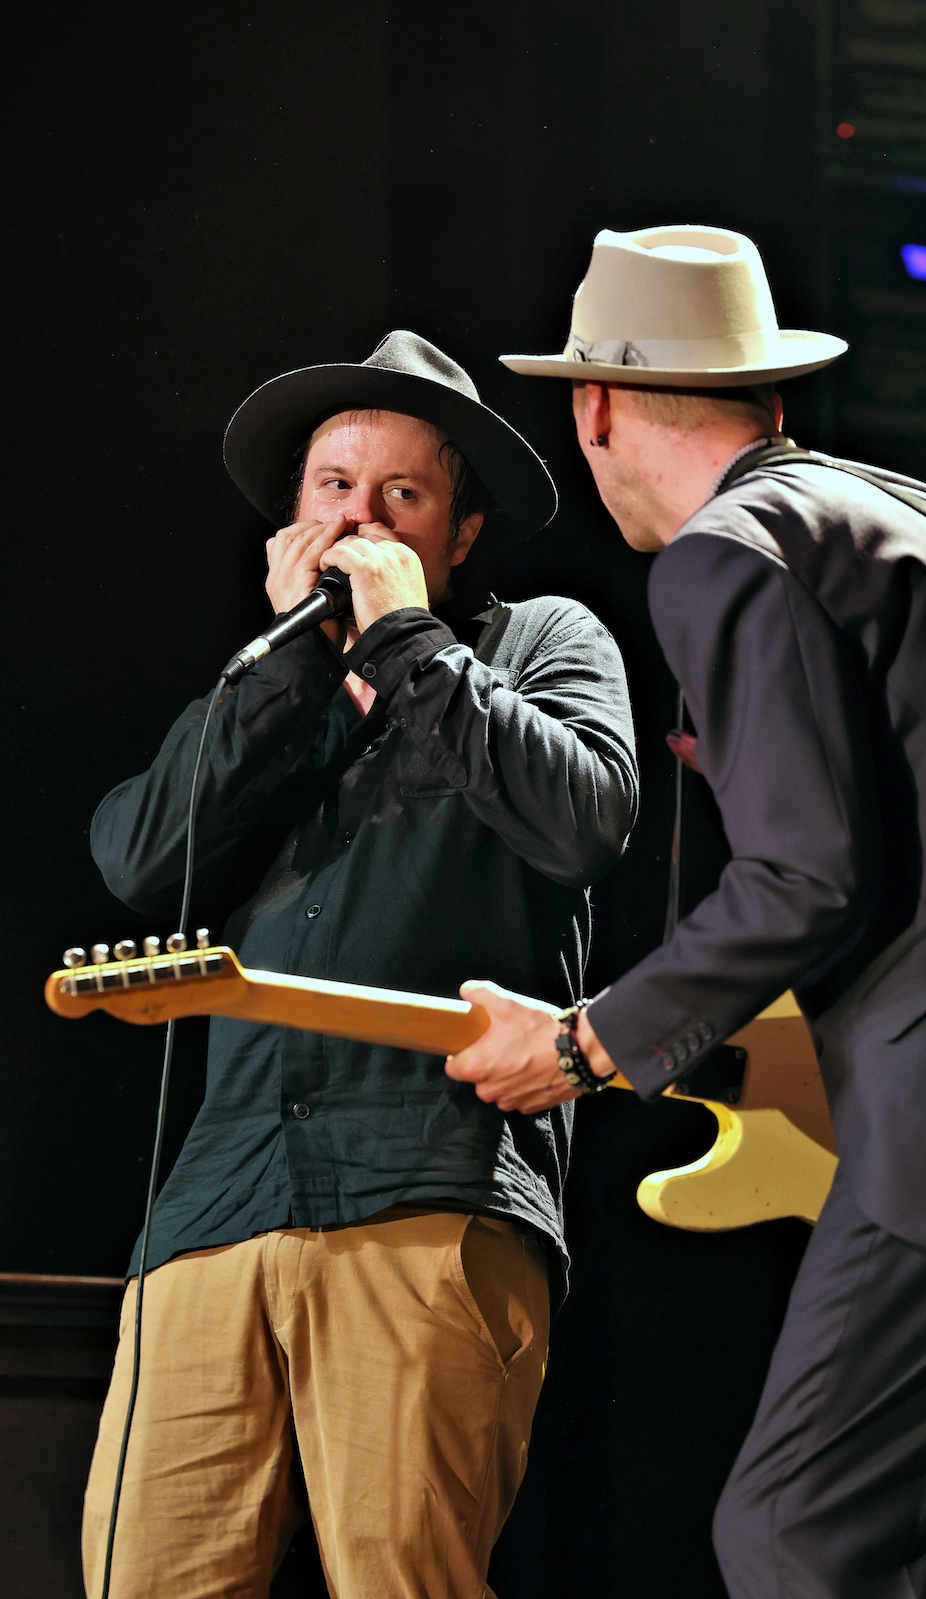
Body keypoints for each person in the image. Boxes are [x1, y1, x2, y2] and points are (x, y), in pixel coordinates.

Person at [446, 227, 926, 1596]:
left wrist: (580, 1043)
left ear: (595, 403)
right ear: (768, 393)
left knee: (796, 1528)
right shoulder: (895, 517)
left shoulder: (722, 555)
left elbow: (805, 878)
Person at [83, 330, 639, 1598]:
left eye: (403, 495)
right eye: (334, 487)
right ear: (292, 521)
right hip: (216, 1210)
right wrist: (291, 672)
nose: (359, 520)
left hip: (427, 1189)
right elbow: (137, 859)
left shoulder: (538, 640)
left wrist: (404, 644)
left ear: (460, 533)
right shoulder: (271, 684)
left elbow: (584, 817)